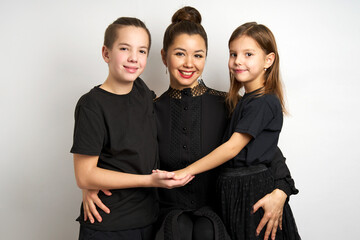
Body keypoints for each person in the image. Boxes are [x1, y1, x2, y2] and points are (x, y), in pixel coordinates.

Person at [82, 7, 298, 240]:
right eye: (179, 54)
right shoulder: (150, 107)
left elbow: (266, 150)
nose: (189, 64)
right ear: (164, 56)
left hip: (222, 215)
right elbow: (122, 151)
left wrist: (281, 190)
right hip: (164, 218)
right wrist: (89, 184)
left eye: (198, 55)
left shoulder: (227, 103)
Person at [172, 22, 301, 240]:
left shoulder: (263, 102)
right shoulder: (243, 102)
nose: (238, 61)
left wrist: (186, 171)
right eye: (233, 54)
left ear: (268, 60)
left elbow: (233, 148)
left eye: (248, 54)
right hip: (234, 193)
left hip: (251, 191)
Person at [71, 17, 193, 240]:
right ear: (106, 53)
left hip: (149, 220)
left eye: (142, 51)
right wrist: (148, 181)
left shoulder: (141, 91)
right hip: (109, 224)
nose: (134, 58)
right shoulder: (92, 105)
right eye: (125, 48)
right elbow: (84, 175)